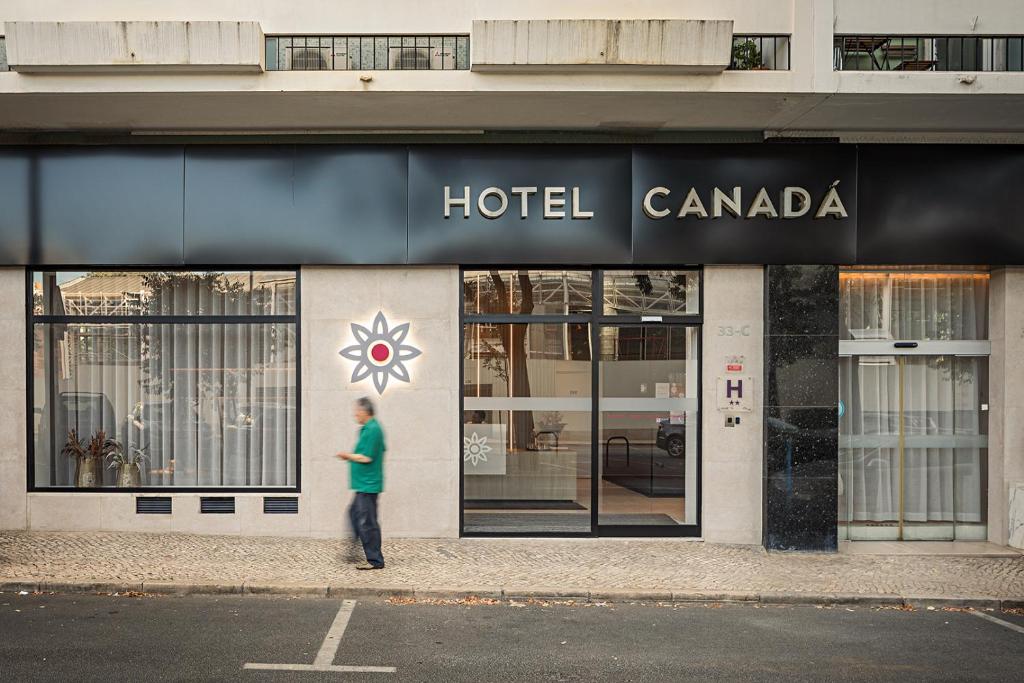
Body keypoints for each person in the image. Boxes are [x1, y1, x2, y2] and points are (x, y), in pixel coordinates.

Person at [335, 397, 386, 570]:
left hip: (368, 484)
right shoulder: (367, 429)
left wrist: (347, 455)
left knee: (368, 522)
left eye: (357, 410)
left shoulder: (373, 429)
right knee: (354, 515)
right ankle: (355, 550)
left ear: (365, 411)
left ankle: (375, 560)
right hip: (363, 484)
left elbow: (366, 457)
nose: (355, 414)